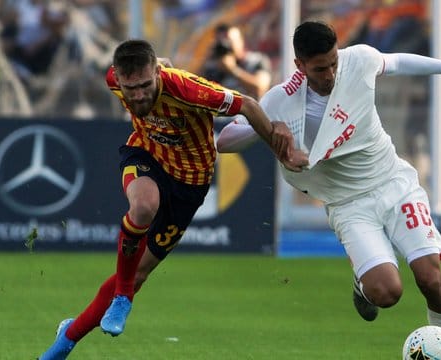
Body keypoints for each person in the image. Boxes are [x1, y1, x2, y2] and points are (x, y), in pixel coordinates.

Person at [216, 21, 441, 358]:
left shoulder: (359, 60)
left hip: (393, 183)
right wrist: (269, 129)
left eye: (334, 63)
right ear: (300, 66)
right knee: (387, 293)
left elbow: (396, 62)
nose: (331, 74)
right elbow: (225, 141)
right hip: (348, 204)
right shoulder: (282, 100)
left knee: (430, 279)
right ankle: (364, 285)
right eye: (320, 68)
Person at [39, 39, 295, 359]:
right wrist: (158, 60)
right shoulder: (114, 80)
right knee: (143, 207)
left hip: (190, 182)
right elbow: (148, 65)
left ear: (158, 74)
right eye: (131, 88)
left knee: (138, 275)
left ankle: (71, 331)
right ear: (118, 79)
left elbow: (248, 105)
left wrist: (281, 149)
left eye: (146, 85)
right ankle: (88, 327)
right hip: (147, 156)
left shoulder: (190, 90)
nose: (139, 95)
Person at [202, 23, 272, 101]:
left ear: (241, 41)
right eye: (220, 41)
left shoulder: (257, 60)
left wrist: (233, 70)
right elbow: (200, 93)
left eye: (228, 40)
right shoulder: (214, 67)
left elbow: (260, 88)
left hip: (249, 111)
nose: (224, 44)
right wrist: (206, 59)